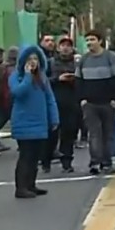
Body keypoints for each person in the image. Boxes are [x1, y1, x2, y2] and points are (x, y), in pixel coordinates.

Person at [9, 46, 59, 199]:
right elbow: (18, 92)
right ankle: (21, 187)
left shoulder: (42, 77)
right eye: (30, 59)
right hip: (23, 122)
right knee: (26, 155)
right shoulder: (16, 76)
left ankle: (31, 184)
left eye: (35, 59)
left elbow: (50, 99)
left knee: (36, 156)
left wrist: (54, 118)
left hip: (40, 123)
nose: (33, 62)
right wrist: (27, 76)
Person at [75, 30, 115, 175]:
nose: (89, 43)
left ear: (100, 41)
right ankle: (95, 162)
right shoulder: (84, 60)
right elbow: (78, 81)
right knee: (94, 134)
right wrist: (82, 100)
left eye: (92, 39)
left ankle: (107, 163)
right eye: (87, 40)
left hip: (108, 103)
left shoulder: (111, 57)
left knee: (108, 134)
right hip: (90, 104)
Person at [48, 37, 80, 172]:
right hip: (54, 101)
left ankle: (67, 161)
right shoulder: (51, 62)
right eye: (63, 45)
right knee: (52, 134)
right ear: (58, 48)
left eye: (68, 45)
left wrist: (74, 78)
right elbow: (44, 80)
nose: (65, 48)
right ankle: (46, 159)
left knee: (69, 133)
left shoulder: (78, 63)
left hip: (72, 102)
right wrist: (58, 79)